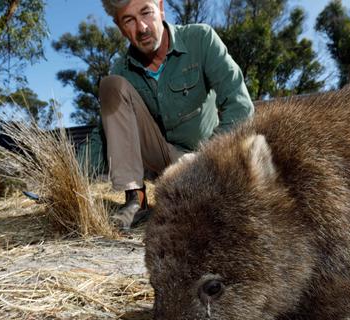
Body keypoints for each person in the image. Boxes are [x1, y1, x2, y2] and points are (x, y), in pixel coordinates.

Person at [100, 0, 254, 229]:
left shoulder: (201, 39)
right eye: (129, 20)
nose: (141, 27)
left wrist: (207, 156)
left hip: (210, 156)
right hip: (165, 159)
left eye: (146, 12)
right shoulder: (122, 70)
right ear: (120, 27)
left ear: (160, 7)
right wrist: (68, 171)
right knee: (110, 85)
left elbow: (240, 105)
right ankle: (136, 200)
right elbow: (104, 132)